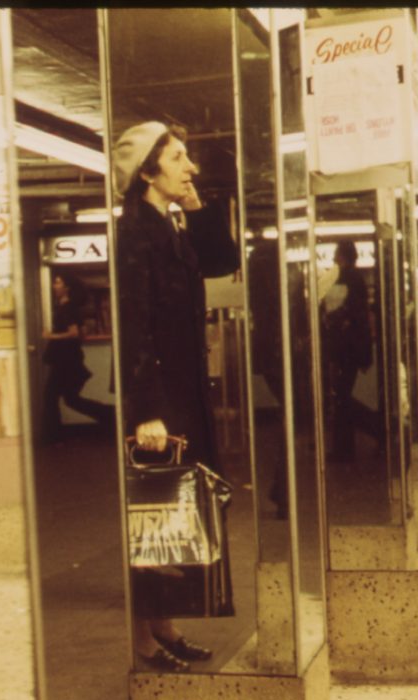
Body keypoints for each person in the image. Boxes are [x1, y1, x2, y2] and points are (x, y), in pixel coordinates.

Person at [113, 120, 241, 672]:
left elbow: (221, 262)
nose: (190, 167)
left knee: (172, 518)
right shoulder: (134, 233)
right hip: (159, 398)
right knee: (154, 516)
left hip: (181, 390)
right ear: (147, 171)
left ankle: (163, 625)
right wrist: (147, 412)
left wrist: (198, 204)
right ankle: (143, 638)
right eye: (179, 159)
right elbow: (133, 326)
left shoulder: (166, 223)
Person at [321, 239, 379, 462]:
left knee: (341, 397)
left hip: (345, 347)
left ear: (342, 255)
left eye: (336, 252)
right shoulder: (355, 278)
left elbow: (348, 311)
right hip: (350, 347)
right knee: (342, 396)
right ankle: (347, 445)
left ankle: (353, 442)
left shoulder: (346, 279)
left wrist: (332, 320)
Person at [41, 273, 114, 442]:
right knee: (70, 399)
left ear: (67, 288)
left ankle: (53, 436)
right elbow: (81, 331)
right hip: (68, 360)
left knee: (51, 396)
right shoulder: (69, 307)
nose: (54, 285)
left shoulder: (67, 308)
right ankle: (110, 414)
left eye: (58, 283)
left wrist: (51, 336)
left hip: (65, 362)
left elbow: (74, 333)